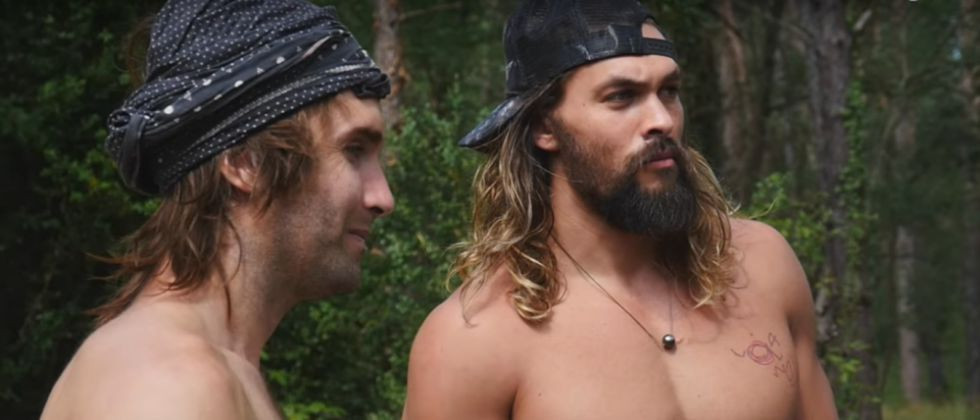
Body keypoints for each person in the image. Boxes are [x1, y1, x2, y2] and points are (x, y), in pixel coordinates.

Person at [403, 0, 837, 418]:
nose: (662, 120)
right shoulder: (474, 340)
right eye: (621, 96)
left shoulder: (761, 267)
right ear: (543, 126)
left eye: (669, 91)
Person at [40, 1, 393, 418]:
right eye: (353, 150)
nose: (383, 198)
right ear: (245, 162)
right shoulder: (168, 382)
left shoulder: (217, 367)